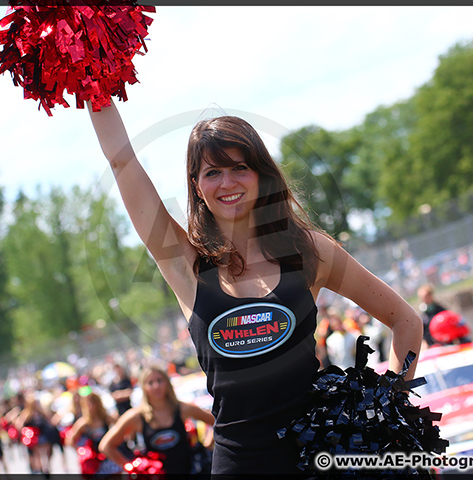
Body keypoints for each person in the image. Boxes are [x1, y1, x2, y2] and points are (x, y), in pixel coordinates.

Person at [87, 102, 423, 474]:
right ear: (197, 187)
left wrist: (387, 416)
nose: (227, 183)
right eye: (212, 172)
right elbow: (122, 163)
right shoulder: (186, 266)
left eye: (239, 168)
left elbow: (405, 321)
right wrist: (93, 73)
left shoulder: (310, 253)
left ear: (261, 175)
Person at [99, 365, 215, 475]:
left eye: (160, 380)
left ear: (167, 383)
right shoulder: (136, 416)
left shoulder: (182, 409)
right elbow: (106, 446)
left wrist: (207, 444)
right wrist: (131, 468)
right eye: (150, 383)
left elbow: (216, 422)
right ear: (144, 387)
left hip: (190, 473)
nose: (156, 386)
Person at [66, 392, 121, 475]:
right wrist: (82, 452)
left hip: (108, 456)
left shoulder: (106, 418)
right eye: (88, 404)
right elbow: (70, 440)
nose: (91, 407)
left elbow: (120, 425)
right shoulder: (84, 423)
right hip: (94, 460)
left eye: (93, 403)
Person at [417, 283, 447, 347]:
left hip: (443, 342)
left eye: (426, 297)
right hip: (431, 345)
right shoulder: (423, 315)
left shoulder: (440, 310)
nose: (424, 300)